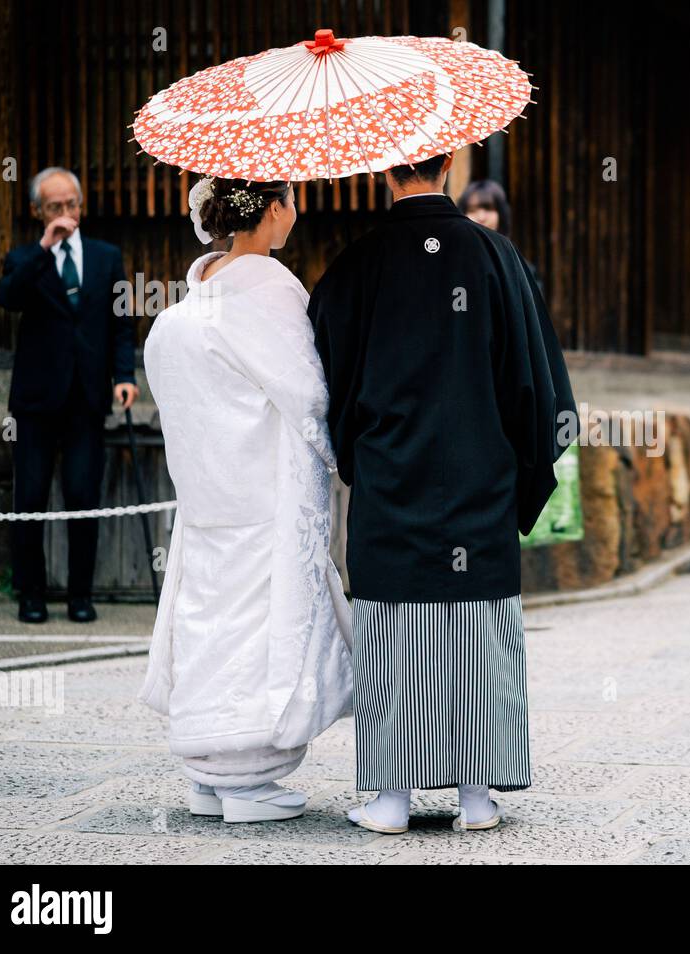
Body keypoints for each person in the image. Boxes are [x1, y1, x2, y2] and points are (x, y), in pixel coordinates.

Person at [310, 153, 576, 835]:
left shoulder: (356, 265)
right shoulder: (496, 256)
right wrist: (520, 476)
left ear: (380, 171)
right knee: (477, 635)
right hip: (481, 482)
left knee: (393, 636)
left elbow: (328, 383)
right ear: (451, 162)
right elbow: (535, 384)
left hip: (390, 483)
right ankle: (478, 797)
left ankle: (391, 799)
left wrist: (356, 451)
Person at [138, 177, 353, 823]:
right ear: (274, 209)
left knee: (208, 619)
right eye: (291, 199)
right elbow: (311, 398)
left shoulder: (182, 313)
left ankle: (207, 776)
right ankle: (247, 780)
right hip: (264, 500)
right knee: (262, 627)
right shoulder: (271, 292)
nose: (297, 211)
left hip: (208, 503)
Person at [0, 167, 138, 624]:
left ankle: (81, 595)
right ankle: (31, 596)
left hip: (86, 399)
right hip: (35, 403)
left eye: (70, 205)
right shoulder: (23, 258)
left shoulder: (105, 256)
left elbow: (121, 323)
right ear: (38, 211)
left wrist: (124, 375)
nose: (64, 214)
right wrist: (44, 248)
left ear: (81, 206)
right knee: (30, 500)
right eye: (54, 207)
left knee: (83, 496)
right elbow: (9, 298)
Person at [457, 178, 542, 291]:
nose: (481, 217)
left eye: (488, 208)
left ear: (501, 214)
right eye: (472, 210)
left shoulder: (519, 268)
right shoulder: (452, 261)